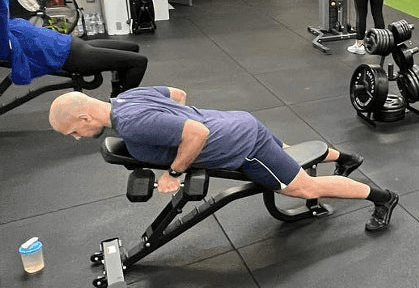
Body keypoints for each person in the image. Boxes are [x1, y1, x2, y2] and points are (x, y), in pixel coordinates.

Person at [48, 87, 399, 233]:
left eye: (73, 132)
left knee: (303, 188)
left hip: (241, 145)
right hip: (236, 121)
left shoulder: (133, 122)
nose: (77, 138)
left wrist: (174, 172)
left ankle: (383, 198)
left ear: (82, 118)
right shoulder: (125, 98)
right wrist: (182, 126)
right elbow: (178, 95)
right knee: (289, 152)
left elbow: (196, 134)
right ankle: (348, 157)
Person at [0, 0, 148, 97]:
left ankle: (117, 92)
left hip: (73, 44)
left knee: (133, 48)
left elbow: (3, 3)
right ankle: (118, 106)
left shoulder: (2, 27)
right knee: (139, 62)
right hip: (72, 57)